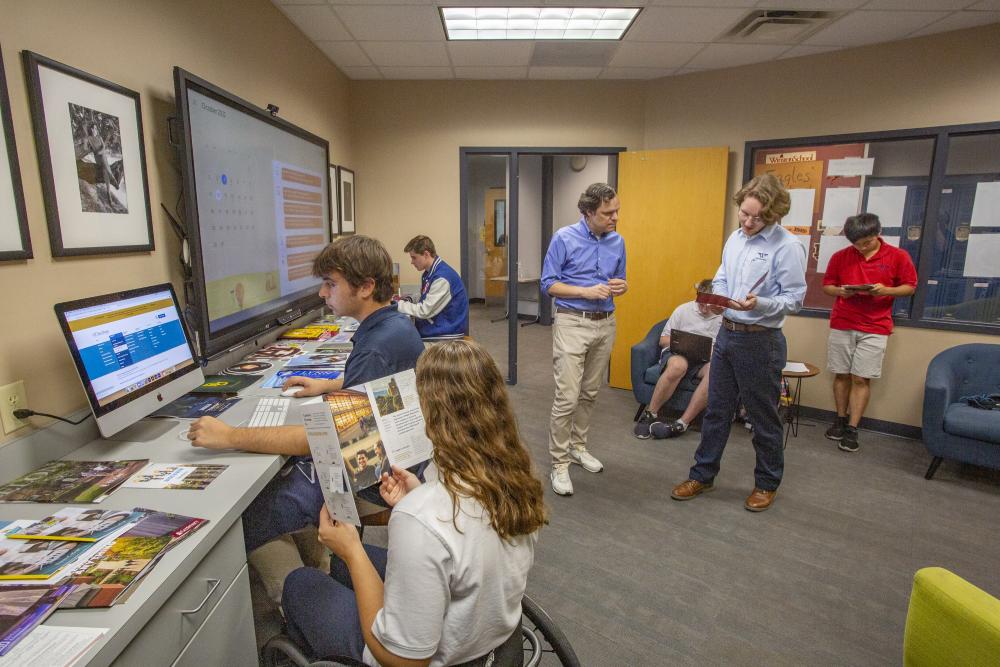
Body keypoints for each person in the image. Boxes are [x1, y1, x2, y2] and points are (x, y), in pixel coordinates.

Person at [187, 235, 424, 603]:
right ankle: (316, 559)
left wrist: (230, 434)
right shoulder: (393, 327)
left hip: (375, 476)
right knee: (279, 485)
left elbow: (323, 439)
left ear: (365, 287)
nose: (322, 294)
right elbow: (377, 382)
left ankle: (300, 596)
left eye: (331, 284)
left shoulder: (375, 346)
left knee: (251, 515)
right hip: (396, 455)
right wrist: (330, 384)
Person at [281, 339, 547, 666]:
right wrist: (417, 493)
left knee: (301, 583)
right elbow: (462, 536)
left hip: (420, 657)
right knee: (338, 567)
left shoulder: (420, 518)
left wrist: (351, 549)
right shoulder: (516, 474)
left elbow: (402, 661)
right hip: (492, 639)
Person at [671, 174, 806, 512]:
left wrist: (759, 303)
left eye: (755, 217)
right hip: (727, 333)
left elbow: (795, 299)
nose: (747, 222)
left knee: (762, 418)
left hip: (761, 341)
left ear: (773, 215)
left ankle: (766, 483)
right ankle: (702, 474)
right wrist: (718, 296)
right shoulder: (736, 237)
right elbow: (722, 275)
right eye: (743, 214)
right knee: (716, 410)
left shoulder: (787, 246)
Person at [541, 182, 627, 496]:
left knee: (590, 393)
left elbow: (622, 278)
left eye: (616, 210)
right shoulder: (564, 238)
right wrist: (584, 291)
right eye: (608, 213)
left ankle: (578, 447)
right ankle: (559, 463)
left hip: (605, 323)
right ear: (588, 212)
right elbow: (548, 284)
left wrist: (622, 287)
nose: (615, 217)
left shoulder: (618, 242)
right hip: (571, 323)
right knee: (567, 396)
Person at [821, 213, 917, 452]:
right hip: (843, 322)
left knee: (861, 377)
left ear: (877, 234)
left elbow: (910, 287)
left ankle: (853, 429)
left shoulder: (898, 256)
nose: (861, 248)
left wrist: (886, 290)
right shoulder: (840, 257)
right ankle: (840, 419)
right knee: (841, 374)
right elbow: (827, 285)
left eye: (866, 242)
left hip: (875, 326)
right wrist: (840, 292)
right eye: (856, 244)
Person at [633, 279, 724, 440]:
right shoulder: (683, 310)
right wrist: (683, 343)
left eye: (708, 305)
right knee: (678, 366)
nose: (704, 308)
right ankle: (651, 413)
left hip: (704, 361)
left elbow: (724, 348)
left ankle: (682, 422)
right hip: (678, 354)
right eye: (701, 303)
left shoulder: (721, 317)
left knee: (715, 371)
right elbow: (662, 340)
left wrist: (710, 351)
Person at [395, 235, 469, 338]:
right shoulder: (430, 272)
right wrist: (410, 299)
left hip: (447, 335)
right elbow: (425, 295)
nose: (411, 262)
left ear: (426, 254)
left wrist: (397, 305)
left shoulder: (442, 278)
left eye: (414, 257)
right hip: (436, 327)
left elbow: (424, 311)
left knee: (402, 345)